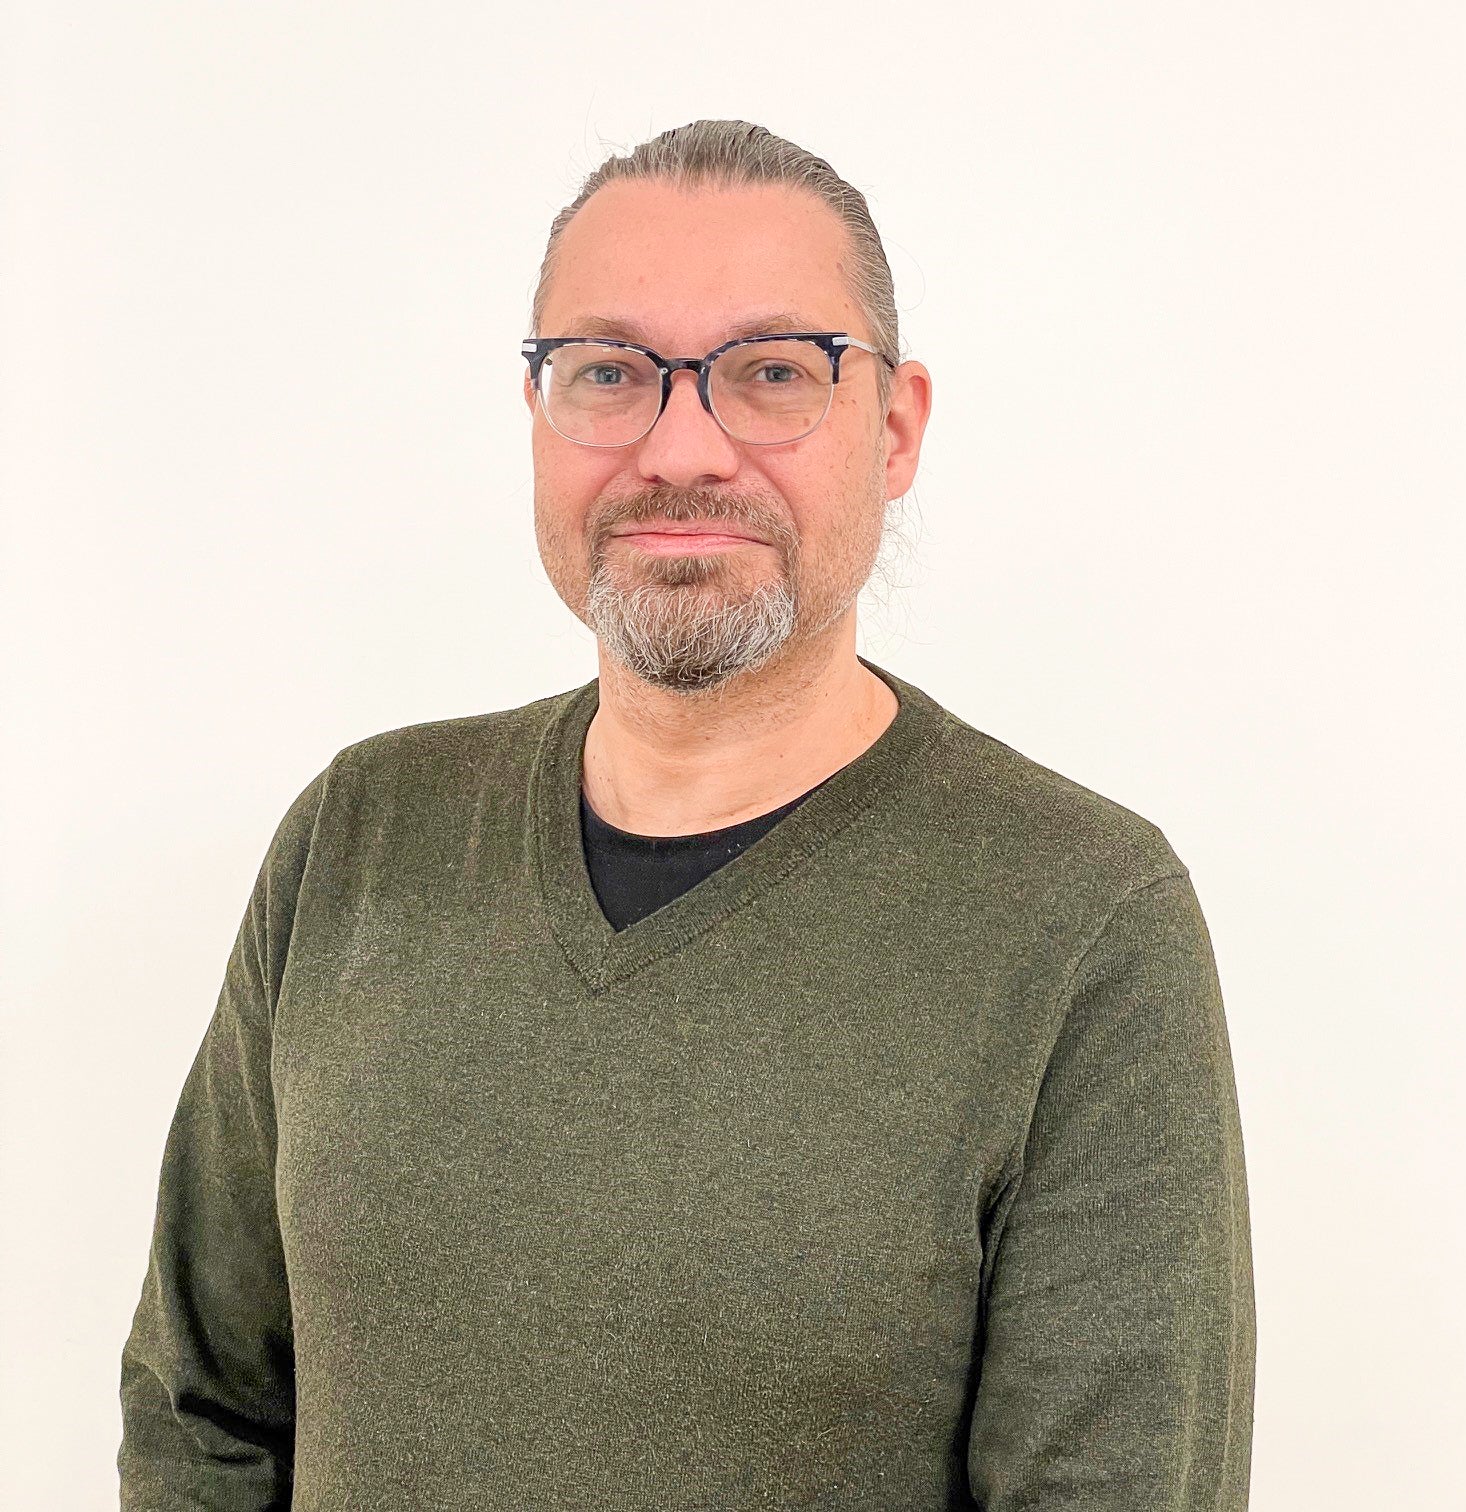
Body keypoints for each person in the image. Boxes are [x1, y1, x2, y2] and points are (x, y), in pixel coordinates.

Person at [117, 118, 1256, 1511]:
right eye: (609, 372)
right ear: (539, 415)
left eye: (772, 373)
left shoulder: (1085, 919)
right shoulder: (356, 839)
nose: (682, 449)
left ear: (894, 430)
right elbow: (200, 1412)